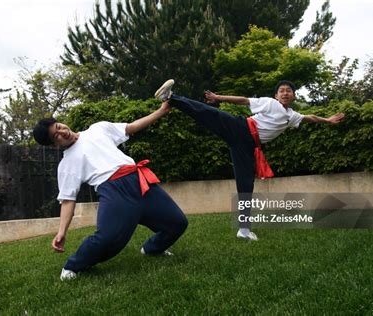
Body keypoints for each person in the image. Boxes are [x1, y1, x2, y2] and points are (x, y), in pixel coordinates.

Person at [155, 79, 344, 241]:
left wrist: (327, 120)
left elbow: (309, 117)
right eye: (281, 91)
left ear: (294, 96)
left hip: (246, 146)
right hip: (241, 128)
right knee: (209, 114)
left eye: (289, 91)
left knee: (245, 185)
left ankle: (244, 230)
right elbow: (245, 100)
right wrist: (218, 98)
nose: (285, 93)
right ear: (276, 95)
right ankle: (171, 97)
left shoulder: (292, 116)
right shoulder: (270, 103)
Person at [32, 102, 188, 280]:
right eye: (56, 136)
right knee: (107, 239)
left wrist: (161, 111)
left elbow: (131, 128)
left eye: (59, 127)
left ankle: (152, 249)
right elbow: (68, 200)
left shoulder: (98, 129)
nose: (62, 132)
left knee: (177, 223)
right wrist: (61, 232)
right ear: (53, 145)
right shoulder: (67, 165)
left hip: (140, 180)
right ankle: (72, 266)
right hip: (115, 191)